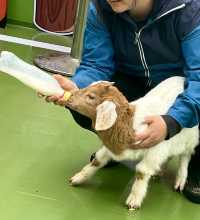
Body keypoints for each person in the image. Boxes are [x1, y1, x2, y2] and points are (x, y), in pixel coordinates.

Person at [45, 0, 200, 203]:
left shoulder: (189, 10)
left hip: (180, 85)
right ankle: (119, 145)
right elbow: (96, 64)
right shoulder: (100, 8)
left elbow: (198, 78)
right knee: (85, 106)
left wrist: (171, 121)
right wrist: (78, 88)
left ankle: (196, 165)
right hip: (133, 80)